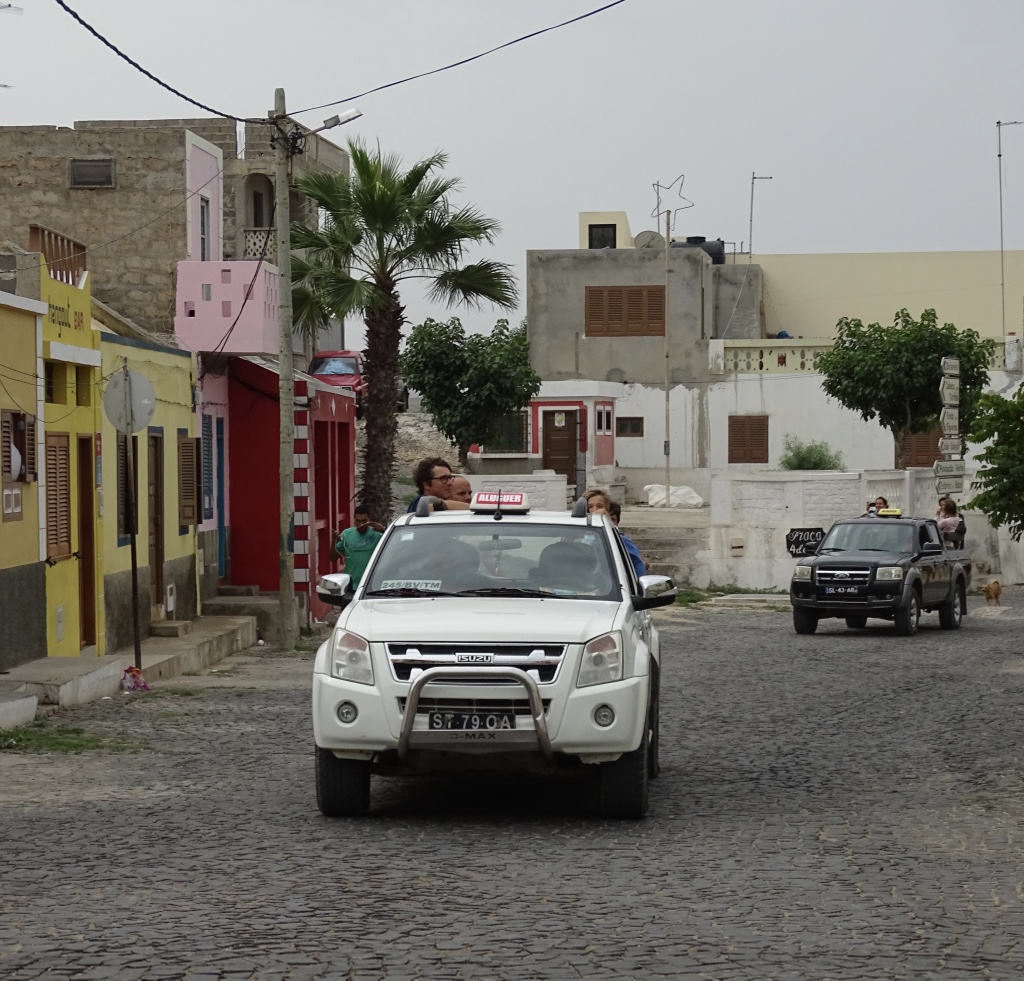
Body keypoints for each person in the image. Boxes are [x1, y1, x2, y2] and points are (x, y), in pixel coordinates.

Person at [334, 506, 384, 589]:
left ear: (369, 519)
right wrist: (333, 542)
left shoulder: (377, 534)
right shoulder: (346, 534)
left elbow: (393, 550)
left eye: (364, 521)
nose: (361, 524)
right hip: (351, 586)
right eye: (358, 521)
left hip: (371, 586)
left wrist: (384, 531)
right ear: (354, 519)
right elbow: (333, 557)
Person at [406, 457, 471, 512]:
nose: (450, 483)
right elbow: (438, 505)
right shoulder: (419, 503)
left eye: (450, 478)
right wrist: (473, 508)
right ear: (427, 485)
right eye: (443, 478)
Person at [608, 501, 649, 580]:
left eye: (613, 519)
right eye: (607, 519)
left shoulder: (621, 540)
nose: (609, 522)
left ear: (617, 522)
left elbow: (638, 563)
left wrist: (638, 583)